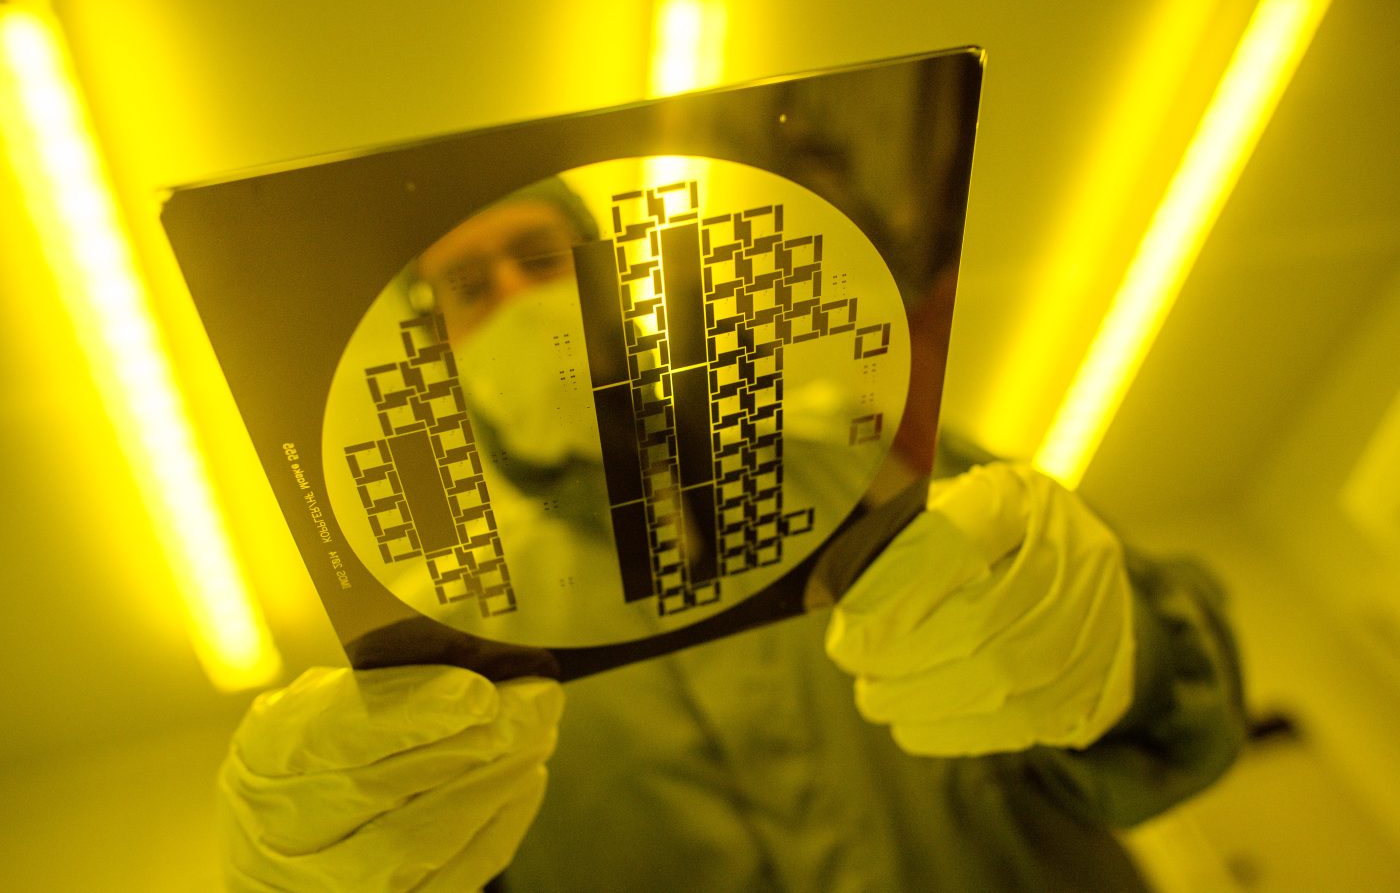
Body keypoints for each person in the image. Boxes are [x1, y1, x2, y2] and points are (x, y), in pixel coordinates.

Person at [215, 182, 1247, 891]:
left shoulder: (852, 458)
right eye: (470, 289)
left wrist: (1123, 647)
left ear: (615, 280)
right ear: (438, 346)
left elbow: (1183, 711)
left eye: (542, 259)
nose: (521, 303)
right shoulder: (455, 641)